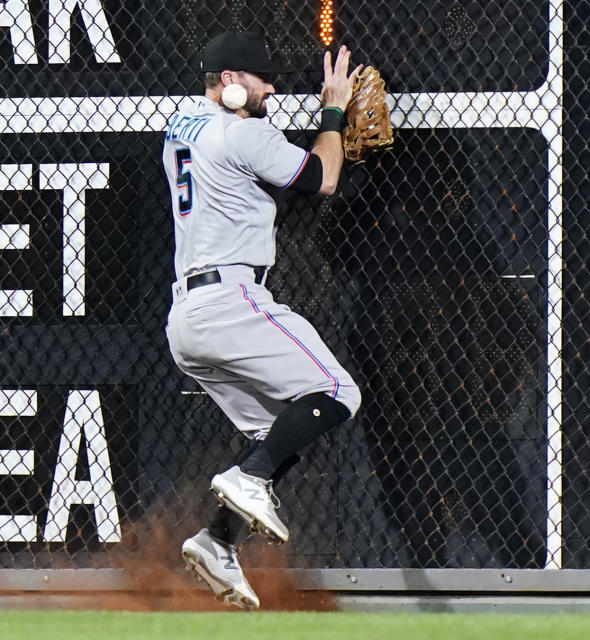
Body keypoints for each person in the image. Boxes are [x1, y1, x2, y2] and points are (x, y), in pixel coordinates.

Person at [161, 31, 363, 610]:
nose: (270, 86)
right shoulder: (242, 131)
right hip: (231, 299)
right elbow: (322, 177)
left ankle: (217, 540)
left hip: (187, 321)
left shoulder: (181, 127)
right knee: (337, 391)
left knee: (278, 432)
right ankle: (248, 484)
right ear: (228, 83)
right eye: (258, 76)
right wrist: (332, 112)